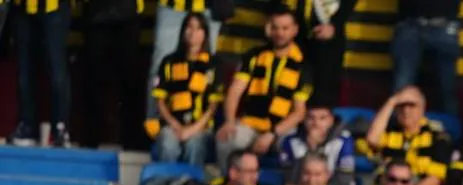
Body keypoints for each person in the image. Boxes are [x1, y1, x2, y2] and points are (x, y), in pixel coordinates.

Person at [217, 8, 312, 172]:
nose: (280, 33)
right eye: (275, 28)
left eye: (285, 28)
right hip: (251, 123)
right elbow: (234, 91)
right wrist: (230, 121)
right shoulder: (254, 56)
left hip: (282, 129)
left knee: (295, 147)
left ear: (295, 30)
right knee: (227, 138)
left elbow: (299, 113)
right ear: (269, 29)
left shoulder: (304, 65)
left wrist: (272, 134)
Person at [150, 12, 221, 166]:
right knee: (168, 142)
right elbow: (160, 101)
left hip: (201, 127)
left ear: (205, 34)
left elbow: (212, 107)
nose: (193, 33)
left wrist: (191, 130)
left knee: (194, 143)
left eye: (198, 28)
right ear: (182, 31)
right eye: (189, 27)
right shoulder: (169, 61)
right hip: (171, 124)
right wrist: (176, 125)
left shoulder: (214, 64)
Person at [360, 86, 452, 185]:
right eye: (401, 105)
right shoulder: (389, 130)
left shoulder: (437, 135)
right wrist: (391, 102)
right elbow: (372, 139)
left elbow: (436, 178)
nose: (406, 110)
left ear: (422, 108)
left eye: (412, 105)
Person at [8, 0, 73, 147]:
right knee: (24, 71)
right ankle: (27, 126)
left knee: (56, 69)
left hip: (54, 6)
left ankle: (60, 127)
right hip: (23, 8)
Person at [83, 0, 143, 149]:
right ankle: (91, 139)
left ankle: (131, 140)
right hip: (97, 13)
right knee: (94, 79)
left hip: (129, 13)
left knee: (129, 81)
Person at [389, 0, 459, 117]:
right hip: (409, 22)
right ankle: (395, 131)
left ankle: (452, 132)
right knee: (401, 86)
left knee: (447, 88)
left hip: (444, 23)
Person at [282, 0, 353, 108]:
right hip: (290, 36)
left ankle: (319, 121)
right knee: (287, 87)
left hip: (326, 40)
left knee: (321, 97)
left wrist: (334, 25)